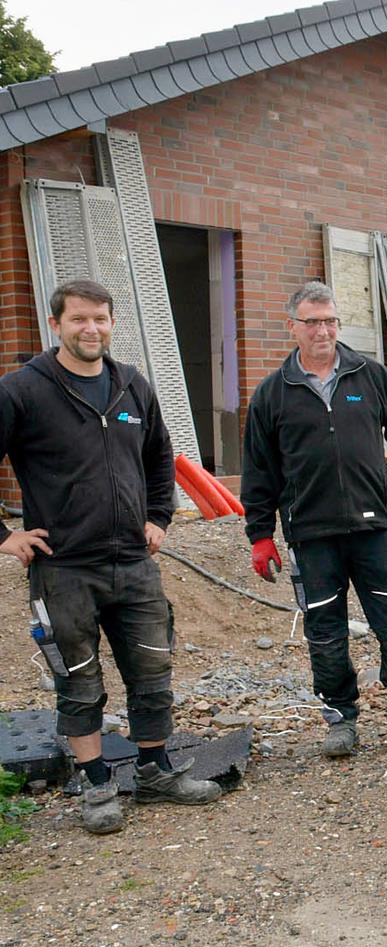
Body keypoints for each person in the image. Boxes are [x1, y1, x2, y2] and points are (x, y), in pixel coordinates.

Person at [0, 280, 221, 834]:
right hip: (64, 567)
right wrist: (3, 536)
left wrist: (159, 518)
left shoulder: (131, 386)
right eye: (78, 319)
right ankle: (97, 786)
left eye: (99, 318)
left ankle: (154, 772)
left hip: (134, 561)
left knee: (152, 670)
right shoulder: (23, 390)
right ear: (57, 325)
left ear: (111, 322)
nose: (90, 328)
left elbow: (159, 457)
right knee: (79, 679)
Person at [242, 281, 387, 758]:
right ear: (292, 327)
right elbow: (259, 470)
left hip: (374, 528)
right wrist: (260, 536)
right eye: (312, 321)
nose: (323, 330)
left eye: (330, 320)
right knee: (325, 632)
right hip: (311, 535)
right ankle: (341, 719)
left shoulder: (370, 376)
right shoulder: (273, 393)